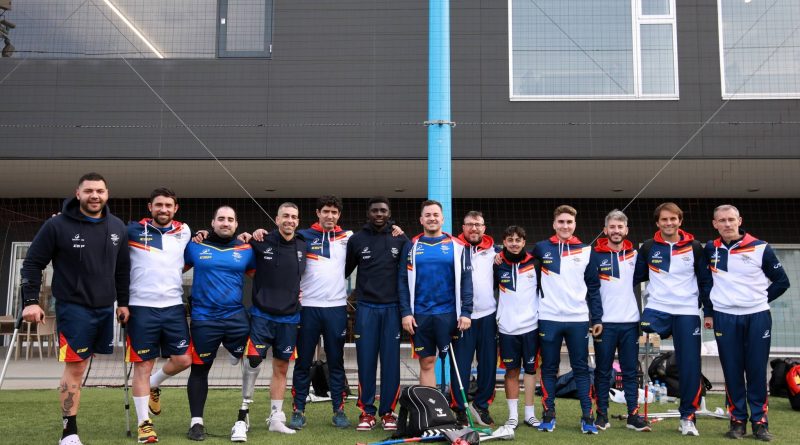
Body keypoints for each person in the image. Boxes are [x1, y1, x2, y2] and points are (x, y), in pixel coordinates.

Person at [21, 172, 130, 445]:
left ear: (107, 194)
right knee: (77, 366)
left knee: (86, 363)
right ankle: (69, 433)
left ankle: (70, 424)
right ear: (78, 193)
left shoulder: (117, 226)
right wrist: (30, 301)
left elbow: (122, 270)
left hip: (105, 307)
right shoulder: (56, 225)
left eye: (100, 191)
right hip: (73, 307)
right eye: (89, 190)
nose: (95, 195)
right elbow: (32, 263)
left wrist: (124, 302)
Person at [705, 205, 790, 441]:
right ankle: (737, 422)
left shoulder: (760, 247)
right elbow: (706, 284)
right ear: (715, 224)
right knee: (732, 371)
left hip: (757, 317)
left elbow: (781, 282)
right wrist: (709, 312)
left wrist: (758, 300)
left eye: (731, 219)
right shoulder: (711, 248)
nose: (727, 224)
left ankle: (760, 422)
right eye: (721, 220)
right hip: (724, 317)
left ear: (739, 220)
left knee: (755, 370)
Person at [634, 202, 713, 437]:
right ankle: (632, 409)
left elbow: (705, 282)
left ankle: (687, 417)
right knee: (633, 345)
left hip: (687, 312)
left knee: (689, 364)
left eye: (673, 219)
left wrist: (707, 311)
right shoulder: (648, 247)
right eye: (664, 219)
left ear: (680, 220)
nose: (669, 223)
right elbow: (634, 279)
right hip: (656, 311)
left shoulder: (696, 247)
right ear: (657, 223)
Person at [233, 202, 307, 440]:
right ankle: (243, 414)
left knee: (282, 367)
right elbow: (233, 246)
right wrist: (242, 235)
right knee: (253, 362)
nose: (290, 220)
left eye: (294, 217)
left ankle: (276, 417)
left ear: (298, 221)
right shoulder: (259, 240)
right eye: (285, 216)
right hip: (262, 316)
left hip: (289, 317)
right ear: (276, 219)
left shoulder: (303, 245)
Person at [183, 206, 256, 441]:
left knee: (253, 357)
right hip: (205, 319)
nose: (226, 223)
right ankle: (196, 422)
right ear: (212, 223)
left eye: (231, 220)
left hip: (235, 317)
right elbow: (171, 269)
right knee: (200, 368)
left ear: (236, 225)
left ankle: (243, 414)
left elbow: (266, 278)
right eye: (221, 219)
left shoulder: (246, 249)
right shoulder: (195, 246)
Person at [126, 187, 192, 443]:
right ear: (150, 207)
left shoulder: (184, 231)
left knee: (184, 359)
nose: (163, 209)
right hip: (141, 307)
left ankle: (154, 384)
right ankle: (144, 424)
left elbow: (186, 258)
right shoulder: (132, 230)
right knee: (142, 365)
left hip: (174, 306)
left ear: (175, 209)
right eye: (159, 205)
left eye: (168, 205)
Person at [533, 204, 602, 434]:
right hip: (548, 318)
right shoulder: (541, 248)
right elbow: (521, 267)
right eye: (561, 222)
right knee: (549, 368)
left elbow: (593, 287)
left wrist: (597, 318)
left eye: (569, 222)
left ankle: (587, 416)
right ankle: (548, 414)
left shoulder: (586, 250)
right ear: (554, 224)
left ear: (575, 224)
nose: (565, 226)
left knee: (581, 369)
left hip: (578, 319)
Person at [288, 196, 354, 430]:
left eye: (334, 212)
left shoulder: (348, 238)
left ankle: (339, 410)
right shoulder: (303, 236)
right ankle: (298, 410)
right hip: (307, 308)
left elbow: (372, 242)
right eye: (326, 211)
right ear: (318, 212)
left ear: (339, 215)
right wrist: (252, 234)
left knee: (336, 362)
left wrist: (394, 229)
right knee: (303, 361)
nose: (330, 216)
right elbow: (278, 240)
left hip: (336, 308)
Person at [345, 197, 408, 431]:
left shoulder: (400, 238)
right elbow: (343, 271)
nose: (379, 214)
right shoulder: (357, 240)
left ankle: (389, 413)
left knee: (391, 362)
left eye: (383, 210)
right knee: (366, 361)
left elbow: (409, 273)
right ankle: (367, 412)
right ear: (368, 213)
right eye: (375, 210)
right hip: (366, 309)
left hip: (392, 309)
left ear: (389, 212)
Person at [398, 200, 473, 391]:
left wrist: (466, 312)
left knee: (456, 363)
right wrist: (406, 312)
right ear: (421, 219)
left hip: (450, 315)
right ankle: (432, 411)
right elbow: (403, 281)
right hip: (420, 315)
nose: (432, 218)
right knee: (427, 362)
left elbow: (466, 280)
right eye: (428, 215)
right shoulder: (411, 246)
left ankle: (458, 411)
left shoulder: (457, 246)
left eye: (436, 215)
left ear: (443, 219)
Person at [590, 210, 650, 432]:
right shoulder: (593, 256)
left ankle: (633, 416)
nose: (616, 231)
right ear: (605, 230)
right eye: (612, 227)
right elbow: (592, 291)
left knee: (630, 371)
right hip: (604, 324)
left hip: (630, 323)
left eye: (620, 227)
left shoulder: (636, 255)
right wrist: (595, 318)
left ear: (626, 230)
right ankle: (602, 415)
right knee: (603, 371)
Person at [452, 211, 498, 426]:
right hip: (462, 317)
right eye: (470, 224)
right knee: (460, 365)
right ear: (463, 227)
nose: (474, 229)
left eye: (478, 225)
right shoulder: (453, 249)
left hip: (488, 316)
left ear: (484, 228)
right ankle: (460, 408)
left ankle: (481, 405)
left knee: (487, 365)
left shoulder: (495, 252)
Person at [494, 226, 539, 430]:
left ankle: (529, 414)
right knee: (511, 371)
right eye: (510, 239)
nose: (514, 243)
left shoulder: (534, 262)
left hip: (531, 326)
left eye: (518, 240)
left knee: (530, 370)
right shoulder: (496, 264)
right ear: (504, 242)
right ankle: (512, 416)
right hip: (507, 328)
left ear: (523, 242)